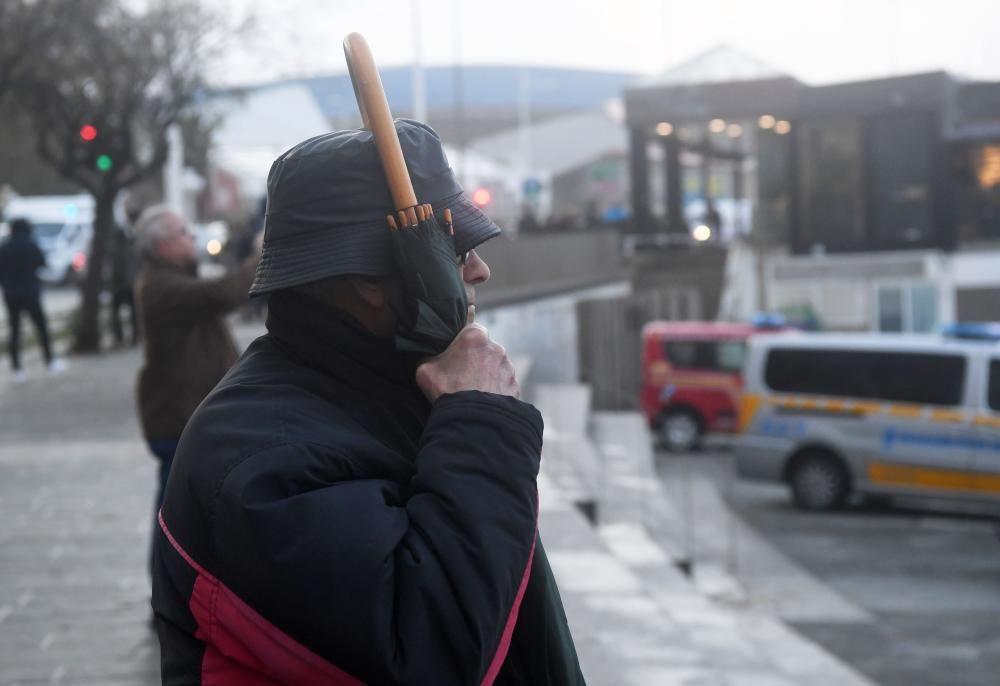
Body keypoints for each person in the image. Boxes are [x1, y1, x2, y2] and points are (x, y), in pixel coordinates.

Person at [152, 120, 585, 685]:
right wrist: (481, 425)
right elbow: (431, 652)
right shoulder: (261, 458)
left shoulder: (378, 391)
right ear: (368, 281)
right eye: (454, 249)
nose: (480, 269)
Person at [133, 205, 258, 573]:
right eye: (182, 233)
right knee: (175, 515)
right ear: (161, 246)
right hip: (177, 417)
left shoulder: (173, 279)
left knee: (183, 508)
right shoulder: (162, 287)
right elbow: (223, 293)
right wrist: (261, 255)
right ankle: (167, 586)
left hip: (187, 414)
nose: (191, 237)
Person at [0, 217, 63, 382]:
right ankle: (50, 361)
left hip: (11, 295)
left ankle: (16, 369)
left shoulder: (4, 248)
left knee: (15, 331)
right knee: (41, 328)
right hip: (31, 293)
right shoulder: (32, 245)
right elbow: (42, 263)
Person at [109, 221, 139, 346]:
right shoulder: (130, 247)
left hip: (121, 285)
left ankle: (121, 336)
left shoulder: (116, 249)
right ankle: (133, 336)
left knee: (120, 312)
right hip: (128, 285)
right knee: (132, 312)